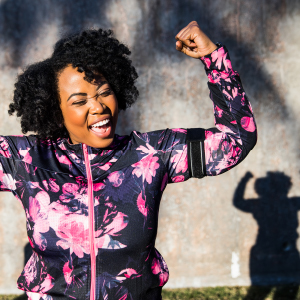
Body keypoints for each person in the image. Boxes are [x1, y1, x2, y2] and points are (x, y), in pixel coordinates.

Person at [1, 21, 257, 300]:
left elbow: (236, 138)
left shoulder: (151, 154)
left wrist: (214, 59)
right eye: (79, 101)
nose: (98, 107)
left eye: (104, 93)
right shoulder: (25, 159)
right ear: (55, 110)